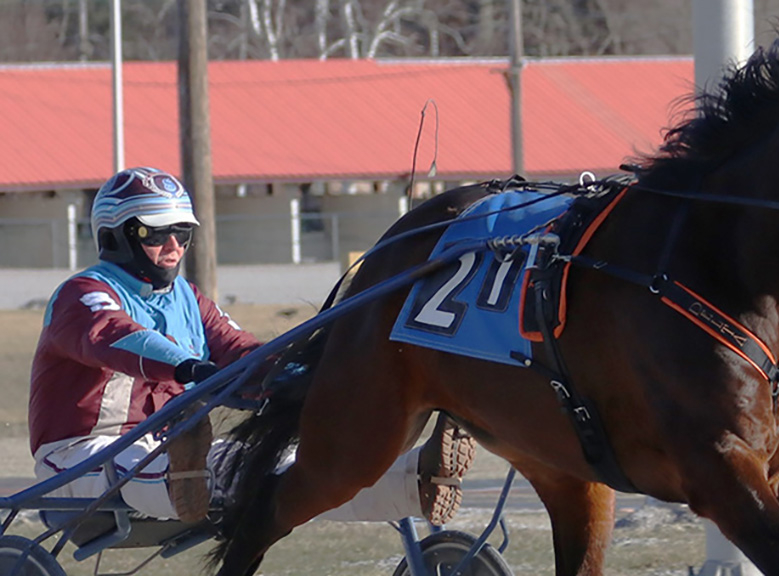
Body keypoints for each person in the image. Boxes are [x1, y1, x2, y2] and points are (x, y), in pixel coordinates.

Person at [29, 166, 474, 526]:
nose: (172, 247)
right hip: (77, 455)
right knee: (137, 461)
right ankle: (184, 478)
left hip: (175, 443)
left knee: (294, 469)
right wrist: (190, 368)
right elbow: (114, 337)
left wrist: (301, 377)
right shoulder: (83, 294)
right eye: (154, 234)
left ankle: (413, 480)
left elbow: (240, 349)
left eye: (183, 233)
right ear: (115, 234)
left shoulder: (187, 297)